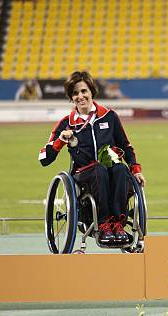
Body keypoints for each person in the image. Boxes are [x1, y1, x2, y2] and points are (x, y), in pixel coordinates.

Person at [38, 71, 146, 245]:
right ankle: (103, 224)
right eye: (75, 93)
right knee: (99, 170)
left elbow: (126, 146)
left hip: (109, 169)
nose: (80, 96)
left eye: (83, 91)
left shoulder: (109, 116)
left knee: (120, 169)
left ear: (91, 92)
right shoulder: (66, 123)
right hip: (83, 173)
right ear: (71, 98)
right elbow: (44, 158)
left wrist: (136, 170)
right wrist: (60, 140)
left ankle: (117, 225)